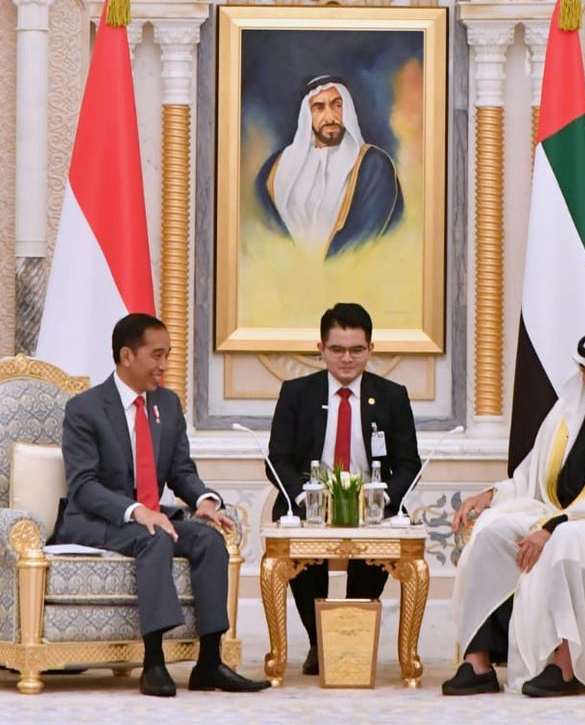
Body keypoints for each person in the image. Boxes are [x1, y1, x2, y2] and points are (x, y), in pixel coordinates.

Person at [443, 328, 585, 697]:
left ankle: (564, 666)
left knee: (568, 539)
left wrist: (552, 528)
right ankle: (478, 662)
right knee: (491, 531)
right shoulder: (570, 411)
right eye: (584, 370)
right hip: (556, 514)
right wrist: (491, 494)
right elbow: (533, 474)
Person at [54, 313, 268, 696]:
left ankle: (209, 662)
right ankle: (154, 662)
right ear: (126, 356)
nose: (164, 365)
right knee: (153, 535)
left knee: (208, 539)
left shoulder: (167, 404)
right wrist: (137, 511)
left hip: (151, 515)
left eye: (167, 355)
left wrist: (203, 500)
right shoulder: (85, 409)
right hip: (97, 519)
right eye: (156, 355)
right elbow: (83, 486)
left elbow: (181, 470)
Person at [266, 302, 421, 675]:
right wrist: (305, 497)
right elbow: (277, 459)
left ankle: (350, 636)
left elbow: (409, 463)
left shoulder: (392, 395)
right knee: (300, 553)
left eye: (356, 350)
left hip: (373, 504)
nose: (346, 359)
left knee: (375, 552)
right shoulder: (296, 392)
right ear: (320, 349)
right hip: (309, 502)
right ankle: (320, 642)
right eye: (337, 350)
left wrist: (381, 498)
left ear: (371, 349)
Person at [255, 75, 404, 258]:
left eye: (337, 106)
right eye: (319, 108)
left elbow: (366, 237)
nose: (330, 117)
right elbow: (264, 229)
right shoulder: (274, 170)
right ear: (307, 115)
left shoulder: (373, 165)